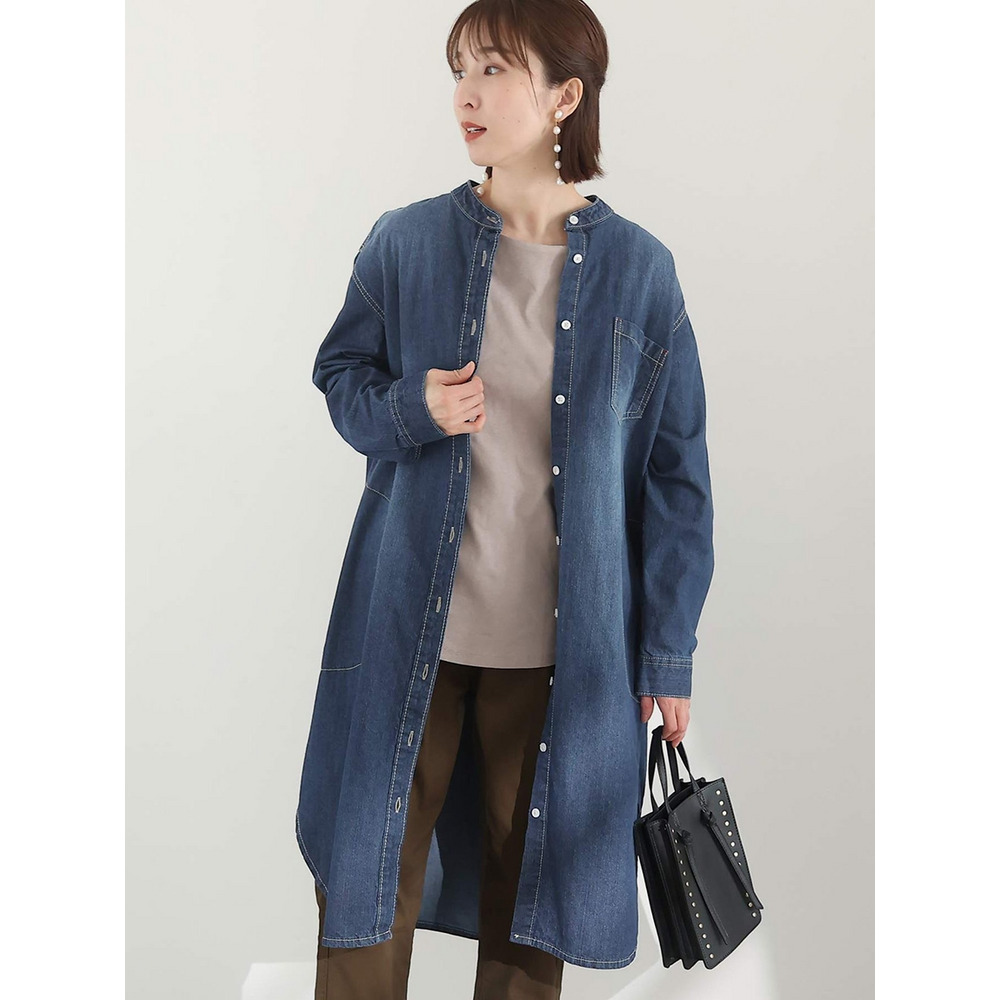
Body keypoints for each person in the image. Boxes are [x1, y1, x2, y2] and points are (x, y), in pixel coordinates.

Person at [298, 2, 714, 997]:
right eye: (459, 70)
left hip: (563, 657)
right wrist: (414, 407)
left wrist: (668, 651)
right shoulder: (404, 244)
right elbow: (340, 378)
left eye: (493, 69)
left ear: (564, 96)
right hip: (411, 631)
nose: (466, 95)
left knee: (534, 899)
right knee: (366, 875)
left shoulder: (641, 273)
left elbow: (677, 474)